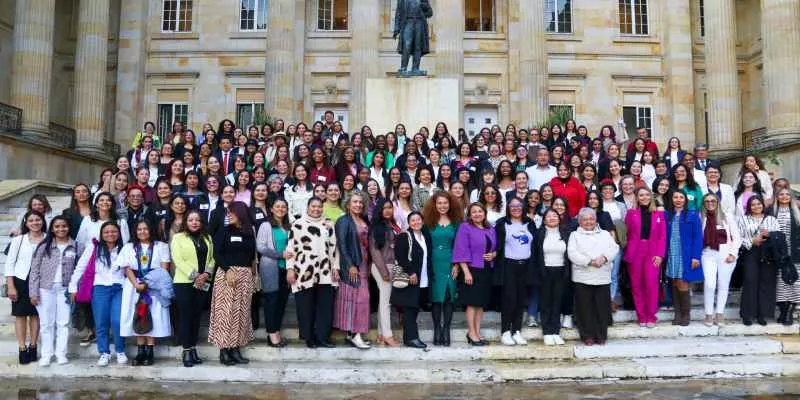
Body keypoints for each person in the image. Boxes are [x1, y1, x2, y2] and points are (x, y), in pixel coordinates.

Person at [68, 221, 127, 366]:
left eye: (113, 231)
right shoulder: (93, 248)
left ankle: (120, 351)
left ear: (119, 233)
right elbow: (80, 268)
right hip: (99, 288)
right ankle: (104, 353)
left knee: (117, 321)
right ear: (101, 234)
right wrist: (73, 287)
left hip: (119, 288)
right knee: (101, 322)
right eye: (106, 232)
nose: (110, 234)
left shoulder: (125, 249)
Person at [115, 220, 172, 366]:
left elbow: (164, 269)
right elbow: (126, 268)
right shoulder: (129, 247)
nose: (142, 232)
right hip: (134, 285)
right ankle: (140, 352)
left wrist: (147, 283)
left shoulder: (161, 246)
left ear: (151, 230)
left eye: (145, 229)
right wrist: (136, 284)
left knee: (152, 315)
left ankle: (150, 352)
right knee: (138, 315)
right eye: (139, 229)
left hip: (154, 285)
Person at [287, 197, 338, 349]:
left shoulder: (328, 224)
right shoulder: (298, 224)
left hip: (325, 271)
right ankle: (309, 337)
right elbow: (291, 249)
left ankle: (322, 337)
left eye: (319, 206)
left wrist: (336, 267)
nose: (316, 209)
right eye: (313, 206)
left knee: (325, 306)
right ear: (308, 207)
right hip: (303, 272)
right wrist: (290, 269)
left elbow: (334, 248)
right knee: (305, 306)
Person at [209, 201, 256, 365]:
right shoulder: (224, 231)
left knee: (241, 314)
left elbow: (251, 256)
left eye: (231, 212)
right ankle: (224, 351)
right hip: (227, 275)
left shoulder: (250, 233)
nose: (228, 215)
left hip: (245, 276)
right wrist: (228, 269)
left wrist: (252, 275)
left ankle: (235, 349)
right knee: (226, 314)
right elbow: (217, 253)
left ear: (240, 213)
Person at [28, 216, 78, 366]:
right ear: (52, 229)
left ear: (69, 227)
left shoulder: (76, 246)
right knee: (46, 323)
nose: (61, 229)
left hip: (65, 289)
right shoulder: (44, 245)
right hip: (45, 289)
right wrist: (33, 292)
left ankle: (61, 354)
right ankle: (46, 354)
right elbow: (35, 270)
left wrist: (75, 289)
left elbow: (79, 269)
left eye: (64, 226)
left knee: (63, 323)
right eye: (57, 226)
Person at [568, 208, 620, 345]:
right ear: (579, 221)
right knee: (585, 308)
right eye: (585, 219)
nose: (588, 222)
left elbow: (614, 248)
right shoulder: (574, 235)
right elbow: (572, 253)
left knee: (601, 308)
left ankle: (601, 335)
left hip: (602, 277)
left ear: (595, 220)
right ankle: (587, 336)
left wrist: (603, 258)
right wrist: (590, 261)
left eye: (591, 219)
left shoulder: (604, 234)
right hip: (582, 277)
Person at [171, 210, 215, 367]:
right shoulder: (178, 238)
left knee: (196, 317)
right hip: (184, 283)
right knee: (186, 317)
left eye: (197, 220)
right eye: (191, 220)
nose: (194, 222)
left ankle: (194, 348)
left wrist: (206, 274)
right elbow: (178, 260)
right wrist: (196, 275)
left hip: (203, 282)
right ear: (186, 222)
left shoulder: (207, 238)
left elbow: (212, 258)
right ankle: (186, 350)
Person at [452, 202, 497, 346]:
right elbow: (461, 249)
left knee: (481, 303)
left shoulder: (490, 228)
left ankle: (477, 332)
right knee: (472, 303)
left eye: (480, 211)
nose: (477, 214)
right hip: (472, 269)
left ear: (485, 213)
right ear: (470, 215)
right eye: (474, 212)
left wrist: (494, 254)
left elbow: (495, 246)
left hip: (487, 269)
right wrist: (466, 272)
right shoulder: (465, 227)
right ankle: (471, 333)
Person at [494, 197, 536, 346]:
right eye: (512, 206)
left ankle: (516, 331)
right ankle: (505, 331)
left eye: (519, 206)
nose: (516, 208)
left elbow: (535, 244)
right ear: (508, 208)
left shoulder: (529, 223)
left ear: (523, 207)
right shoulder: (502, 223)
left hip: (525, 266)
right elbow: (496, 244)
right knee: (509, 299)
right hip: (509, 266)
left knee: (521, 299)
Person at [422, 192, 462, 346]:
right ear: (434, 204)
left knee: (448, 297)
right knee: (436, 298)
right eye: (439, 203)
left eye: (445, 203)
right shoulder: (428, 222)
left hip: (451, 262)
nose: (442, 206)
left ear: (450, 204)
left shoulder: (457, 221)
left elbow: (460, 246)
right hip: (433, 263)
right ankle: (437, 329)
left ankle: (446, 329)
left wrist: (457, 265)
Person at [5, 211, 45, 364]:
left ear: (42, 221)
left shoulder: (49, 238)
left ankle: (33, 346)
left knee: (36, 315)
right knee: (20, 315)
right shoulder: (19, 240)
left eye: (38, 220)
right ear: (26, 223)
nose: (35, 223)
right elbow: (10, 263)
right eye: (31, 220)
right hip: (20, 279)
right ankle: (22, 348)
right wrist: (11, 286)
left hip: (41, 281)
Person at [333, 193, 372, 349]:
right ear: (348, 204)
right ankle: (356, 335)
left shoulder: (363, 220)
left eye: (360, 202)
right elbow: (342, 245)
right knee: (361, 298)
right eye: (355, 202)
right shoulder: (343, 221)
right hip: (352, 264)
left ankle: (351, 334)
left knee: (356, 298)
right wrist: (350, 265)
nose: (358, 205)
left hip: (364, 263)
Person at [624, 187, 667, 327]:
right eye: (641, 195)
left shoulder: (658, 214)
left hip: (653, 251)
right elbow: (627, 233)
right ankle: (641, 316)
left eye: (647, 195)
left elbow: (662, 236)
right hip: (635, 251)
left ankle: (651, 316)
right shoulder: (631, 213)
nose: (644, 197)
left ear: (651, 196)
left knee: (651, 283)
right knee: (637, 285)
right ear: (637, 197)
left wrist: (660, 254)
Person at [255, 198, 293, 348]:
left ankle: (276, 330)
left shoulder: (288, 226)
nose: (281, 209)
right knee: (272, 301)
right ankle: (272, 335)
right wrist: (280, 254)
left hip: (286, 268)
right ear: (271, 209)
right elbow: (261, 247)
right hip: (271, 267)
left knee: (282, 301)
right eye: (277, 206)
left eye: (284, 207)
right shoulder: (266, 225)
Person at [391, 212, 433, 348]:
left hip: (423, 278)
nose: (416, 222)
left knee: (414, 309)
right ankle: (412, 338)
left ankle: (408, 338)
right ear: (409, 223)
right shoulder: (404, 236)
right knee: (409, 309)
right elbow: (400, 256)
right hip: (411, 278)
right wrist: (411, 272)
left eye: (418, 219)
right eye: (413, 220)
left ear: (422, 221)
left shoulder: (425, 236)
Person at [738, 195, 780, 325]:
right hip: (751, 252)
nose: (756, 206)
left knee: (766, 283)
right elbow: (738, 238)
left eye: (758, 204)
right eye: (753, 204)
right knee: (750, 281)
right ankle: (747, 314)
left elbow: (779, 236)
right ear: (749, 207)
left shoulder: (772, 219)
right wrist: (752, 241)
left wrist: (770, 234)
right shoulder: (743, 219)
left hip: (768, 253)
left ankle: (762, 314)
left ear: (763, 205)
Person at [700, 193, 741, 326]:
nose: (710, 203)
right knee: (709, 284)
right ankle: (708, 314)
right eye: (707, 201)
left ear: (718, 202)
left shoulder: (727, 217)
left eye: (713, 201)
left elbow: (737, 238)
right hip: (708, 253)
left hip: (725, 254)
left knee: (723, 285)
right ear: (703, 204)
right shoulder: (701, 217)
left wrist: (733, 254)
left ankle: (720, 314)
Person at [664, 191, 703, 326]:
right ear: (672, 199)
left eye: (681, 197)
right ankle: (677, 313)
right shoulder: (667, 215)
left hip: (685, 253)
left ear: (685, 200)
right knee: (674, 281)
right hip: (671, 252)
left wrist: (696, 256)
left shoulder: (692, 215)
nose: (678, 200)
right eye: (675, 197)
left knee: (683, 281)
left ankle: (686, 314)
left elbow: (698, 237)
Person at [368, 199, 402, 347]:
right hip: (381, 266)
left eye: (390, 207)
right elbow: (374, 251)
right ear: (379, 210)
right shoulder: (376, 227)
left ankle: (381, 334)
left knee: (385, 301)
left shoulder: (393, 225)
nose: (388, 210)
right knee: (386, 302)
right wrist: (384, 272)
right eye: (385, 208)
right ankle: (388, 335)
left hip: (392, 266)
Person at [774, 188, 800, 326]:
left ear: (791, 197)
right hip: (779, 255)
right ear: (777, 197)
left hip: (795, 254)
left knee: (794, 283)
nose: (784, 196)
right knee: (780, 284)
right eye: (781, 194)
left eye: (787, 194)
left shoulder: (797, 213)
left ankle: (789, 312)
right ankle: (783, 312)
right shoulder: (772, 212)